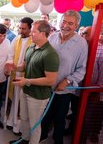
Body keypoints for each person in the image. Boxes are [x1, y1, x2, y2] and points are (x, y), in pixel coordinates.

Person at [40, 10, 88, 144]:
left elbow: (81, 69)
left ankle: (58, 140)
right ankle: (41, 137)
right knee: (45, 115)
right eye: (64, 21)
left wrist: (67, 81)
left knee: (60, 118)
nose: (65, 25)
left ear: (76, 26)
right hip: (46, 86)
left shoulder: (81, 44)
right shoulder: (52, 37)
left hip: (64, 90)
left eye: (70, 23)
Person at [9, 20, 59, 144]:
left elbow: (50, 80)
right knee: (24, 119)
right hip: (26, 90)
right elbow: (24, 66)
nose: (31, 33)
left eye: (34, 31)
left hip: (38, 96)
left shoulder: (50, 54)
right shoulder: (31, 47)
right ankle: (25, 139)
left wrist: (26, 81)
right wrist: (14, 67)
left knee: (34, 124)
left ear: (43, 33)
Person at [6, 17, 33, 135]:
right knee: (15, 100)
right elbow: (10, 54)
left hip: (26, 76)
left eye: (24, 29)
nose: (21, 31)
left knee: (22, 103)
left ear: (30, 29)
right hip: (15, 73)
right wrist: (9, 63)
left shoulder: (34, 41)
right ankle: (11, 122)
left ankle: (20, 128)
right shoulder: (16, 39)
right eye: (20, 28)